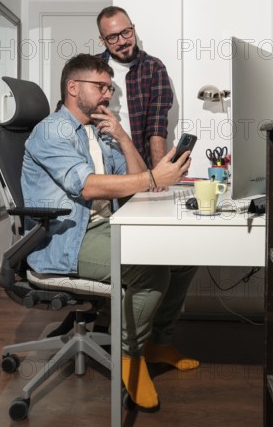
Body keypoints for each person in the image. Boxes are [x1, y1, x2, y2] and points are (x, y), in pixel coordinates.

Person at [21, 53, 199, 413]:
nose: (108, 94)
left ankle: (156, 344)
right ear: (73, 88)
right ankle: (130, 358)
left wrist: (121, 135)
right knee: (151, 270)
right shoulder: (51, 130)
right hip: (65, 239)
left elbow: (134, 185)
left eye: (109, 87)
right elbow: (86, 186)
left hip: (103, 227)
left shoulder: (97, 133)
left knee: (184, 255)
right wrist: (152, 177)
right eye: (100, 87)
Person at [96, 6, 173, 174]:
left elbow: (157, 126)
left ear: (133, 28)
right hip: (99, 166)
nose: (122, 41)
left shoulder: (154, 68)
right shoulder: (91, 69)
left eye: (126, 32)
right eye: (112, 38)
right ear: (102, 40)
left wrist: (158, 174)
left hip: (138, 166)